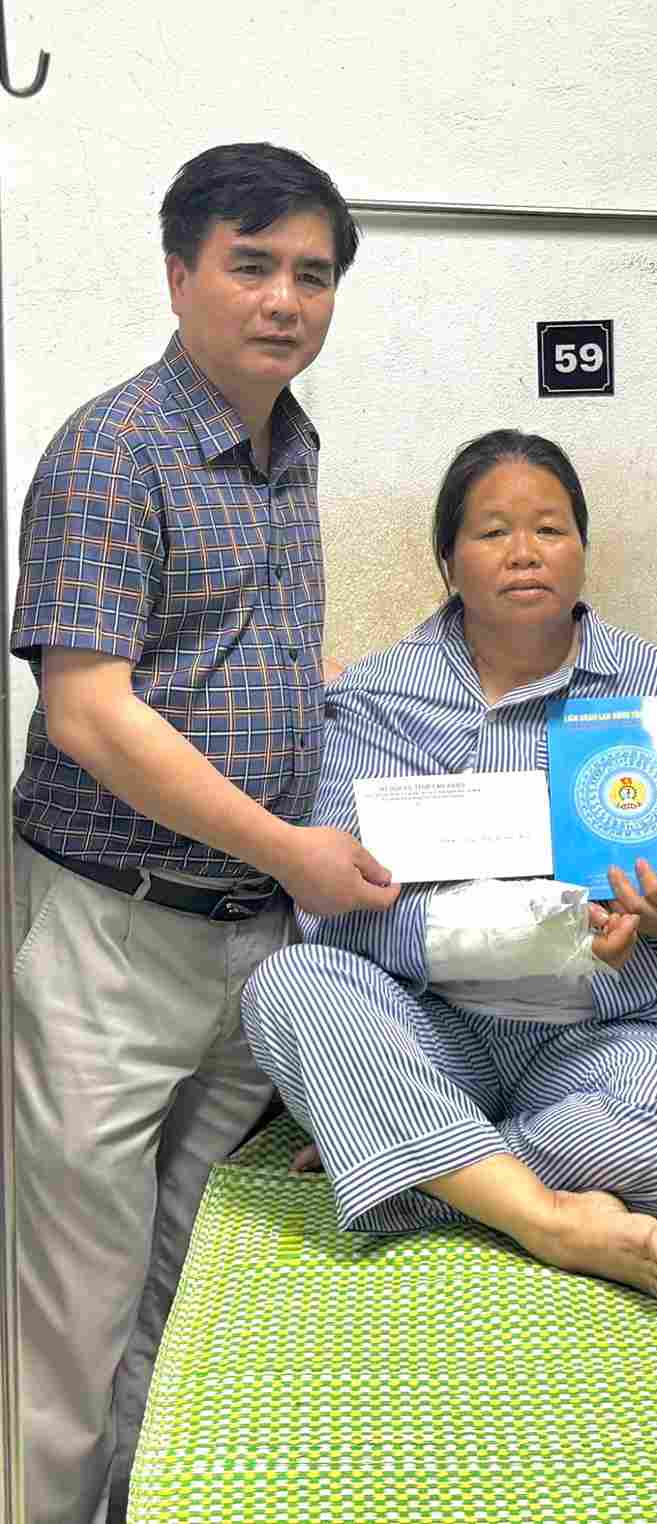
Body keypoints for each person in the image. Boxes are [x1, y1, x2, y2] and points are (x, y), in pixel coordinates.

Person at [9, 143, 397, 1524]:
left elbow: (247, 670)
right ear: (181, 274)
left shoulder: (289, 453)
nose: (285, 300)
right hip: (114, 926)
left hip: (246, 941)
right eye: (251, 266)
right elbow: (91, 717)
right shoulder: (115, 449)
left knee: (190, 1279)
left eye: (313, 273)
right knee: (70, 1302)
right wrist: (294, 851)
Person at [240, 430, 657, 1310]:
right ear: (447, 557)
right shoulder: (376, 696)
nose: (524, 554)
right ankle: (539, 1215)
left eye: (551, 530)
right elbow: (338, 907)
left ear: (585, 551)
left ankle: (427, 1166)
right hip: (430, 1025)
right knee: (290, 983)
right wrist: (559, 932)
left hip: (603, 1034)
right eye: (491, 532)